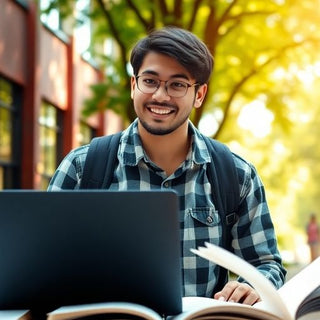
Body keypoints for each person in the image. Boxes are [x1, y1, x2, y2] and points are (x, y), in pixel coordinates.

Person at [48, 26, 286, 306]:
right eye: (150, 81)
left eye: (177, 84)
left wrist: (252, 287)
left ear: (199, 94)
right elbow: (44, 262)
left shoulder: (237, 176)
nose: (161, 95)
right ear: (134, 84)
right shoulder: (81, 168)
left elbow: (267, 265)